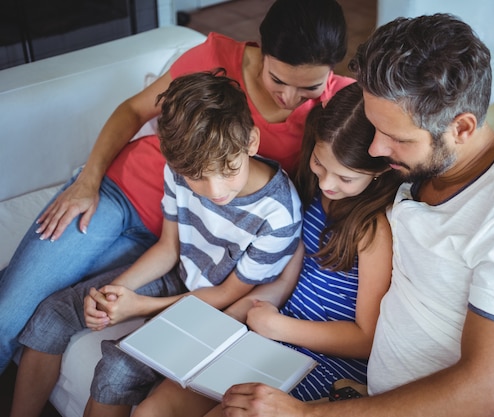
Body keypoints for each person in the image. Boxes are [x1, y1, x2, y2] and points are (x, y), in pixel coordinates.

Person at [219, 14, 494, 417]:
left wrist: (304, 414)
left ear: (462, 128)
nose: (376, 149)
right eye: (376, 126)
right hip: (367, 393)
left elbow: (481, 395)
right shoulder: (418, 169)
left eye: (396, 137)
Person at [0, 0, 353, 373]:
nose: (290, 98)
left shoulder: (338, 107)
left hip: (182, 235)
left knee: (56, 303)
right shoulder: (215, 58)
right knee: (13, 306)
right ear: (262, 51)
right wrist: (88, 180)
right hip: (120, 193)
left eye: (309, 88)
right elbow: (135, 111)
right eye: (278, 80)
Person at [10, 70, 303, 417]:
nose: (215, 190)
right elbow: (168, 247)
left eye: (227, 169)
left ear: (251, 142)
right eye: (198, 178)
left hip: (219, 308)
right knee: (54, 314)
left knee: (117, 369)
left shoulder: (279, 216)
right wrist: (115, 293)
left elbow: (227, 295)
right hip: (181, 275)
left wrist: (137, 306)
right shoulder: (180, 169)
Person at [131, 82, 403, 417]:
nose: (327, 184)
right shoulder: (312, 193)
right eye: (320, 164)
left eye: (345, 178)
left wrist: (277, 327)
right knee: (152, 409)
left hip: (324, 358)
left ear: (378, 174)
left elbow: (366, 338)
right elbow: (290, 270)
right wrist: (236, 318)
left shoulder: (371, 229)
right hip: (271, 329)